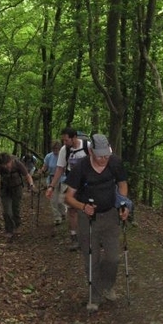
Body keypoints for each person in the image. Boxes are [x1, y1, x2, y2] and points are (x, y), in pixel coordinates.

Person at [64, 133, 131, 312]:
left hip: (110, 214)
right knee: (91, 258)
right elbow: (68, 198)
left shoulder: (114, 162)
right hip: (88, 218)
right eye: (100, 155)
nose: (104, 159)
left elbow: (122, 184)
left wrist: (123, 203)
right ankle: (94, 295)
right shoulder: (81, 167)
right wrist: (83, 206)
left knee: (113, 258)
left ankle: (107, 286)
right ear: (91, 151)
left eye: (106, 155)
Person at [45, 127, 89, 250]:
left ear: (74, 137)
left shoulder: (88, 146)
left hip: (88, 183)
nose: (64, 143)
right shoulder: (65, 150)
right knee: (72, 210)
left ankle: (93, 237)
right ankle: (74, 238)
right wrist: (51, 186)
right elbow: (60, 168)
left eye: (66, 140)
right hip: (72, 183)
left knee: (90, 210)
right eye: (63, 140)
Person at [0, 152, 34, 240]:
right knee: (7, 211)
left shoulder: (18, 164)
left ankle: (17, 225)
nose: (6, 166)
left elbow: (27, 175)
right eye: (4, 165)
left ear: (11, 161)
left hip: (17, 189)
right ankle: (9, 230)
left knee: (15, 209)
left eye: (7, 164)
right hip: (5, 190)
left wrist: (31, 184)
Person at [40, 140, 67, 232]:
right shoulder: (49, 156)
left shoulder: (64, 156)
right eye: (54, 149)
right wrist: (42, 170)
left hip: (63, 179)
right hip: (52, 179)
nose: (56, 150)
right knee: (53, 200)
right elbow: (45, 166)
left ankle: (63, 213)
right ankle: (57, 217)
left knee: (61, 199)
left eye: (57, 149)